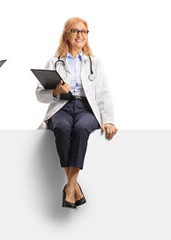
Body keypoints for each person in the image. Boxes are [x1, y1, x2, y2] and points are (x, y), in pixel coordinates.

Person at [36, 17, 118, 208]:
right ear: (66, 35)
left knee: (81, 129)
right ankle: (74, 189)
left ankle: (70, 186)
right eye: (75, 31)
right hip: (62, 107)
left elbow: (104, 93)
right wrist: (56, 92)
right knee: (62, 128)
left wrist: (109, 121)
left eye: (84, 32)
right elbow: (40, 94)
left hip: (86, 109)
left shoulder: (94, 63)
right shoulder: (54, 61)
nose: (80, 35)